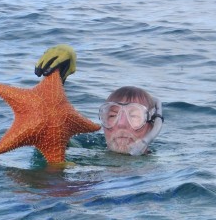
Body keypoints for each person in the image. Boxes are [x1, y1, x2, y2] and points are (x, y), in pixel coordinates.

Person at [35, 44, 164, 155]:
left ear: (152, 126)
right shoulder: (88, 155)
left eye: (134, 115)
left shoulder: (162, 170)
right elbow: (49, 134)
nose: (121, 124)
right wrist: (55, 80)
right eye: (113, 115)